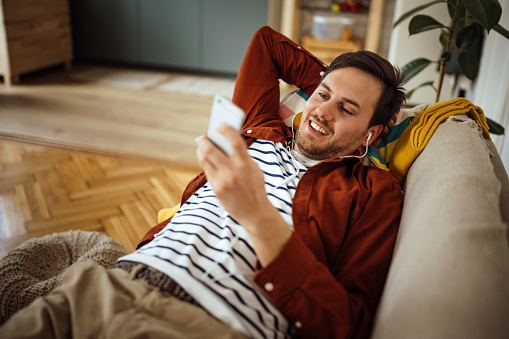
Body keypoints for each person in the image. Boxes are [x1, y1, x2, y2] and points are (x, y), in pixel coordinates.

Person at [0, 26, 406, 339]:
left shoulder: (373, 192)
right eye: (321, 94)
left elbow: (345, 324)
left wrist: (258, 217)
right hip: (111, 284)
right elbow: (267, 44)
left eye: (347, 109)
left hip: (208, 323)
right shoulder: (260, 128)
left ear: (372, 134)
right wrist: (337, 81)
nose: (322, 111)